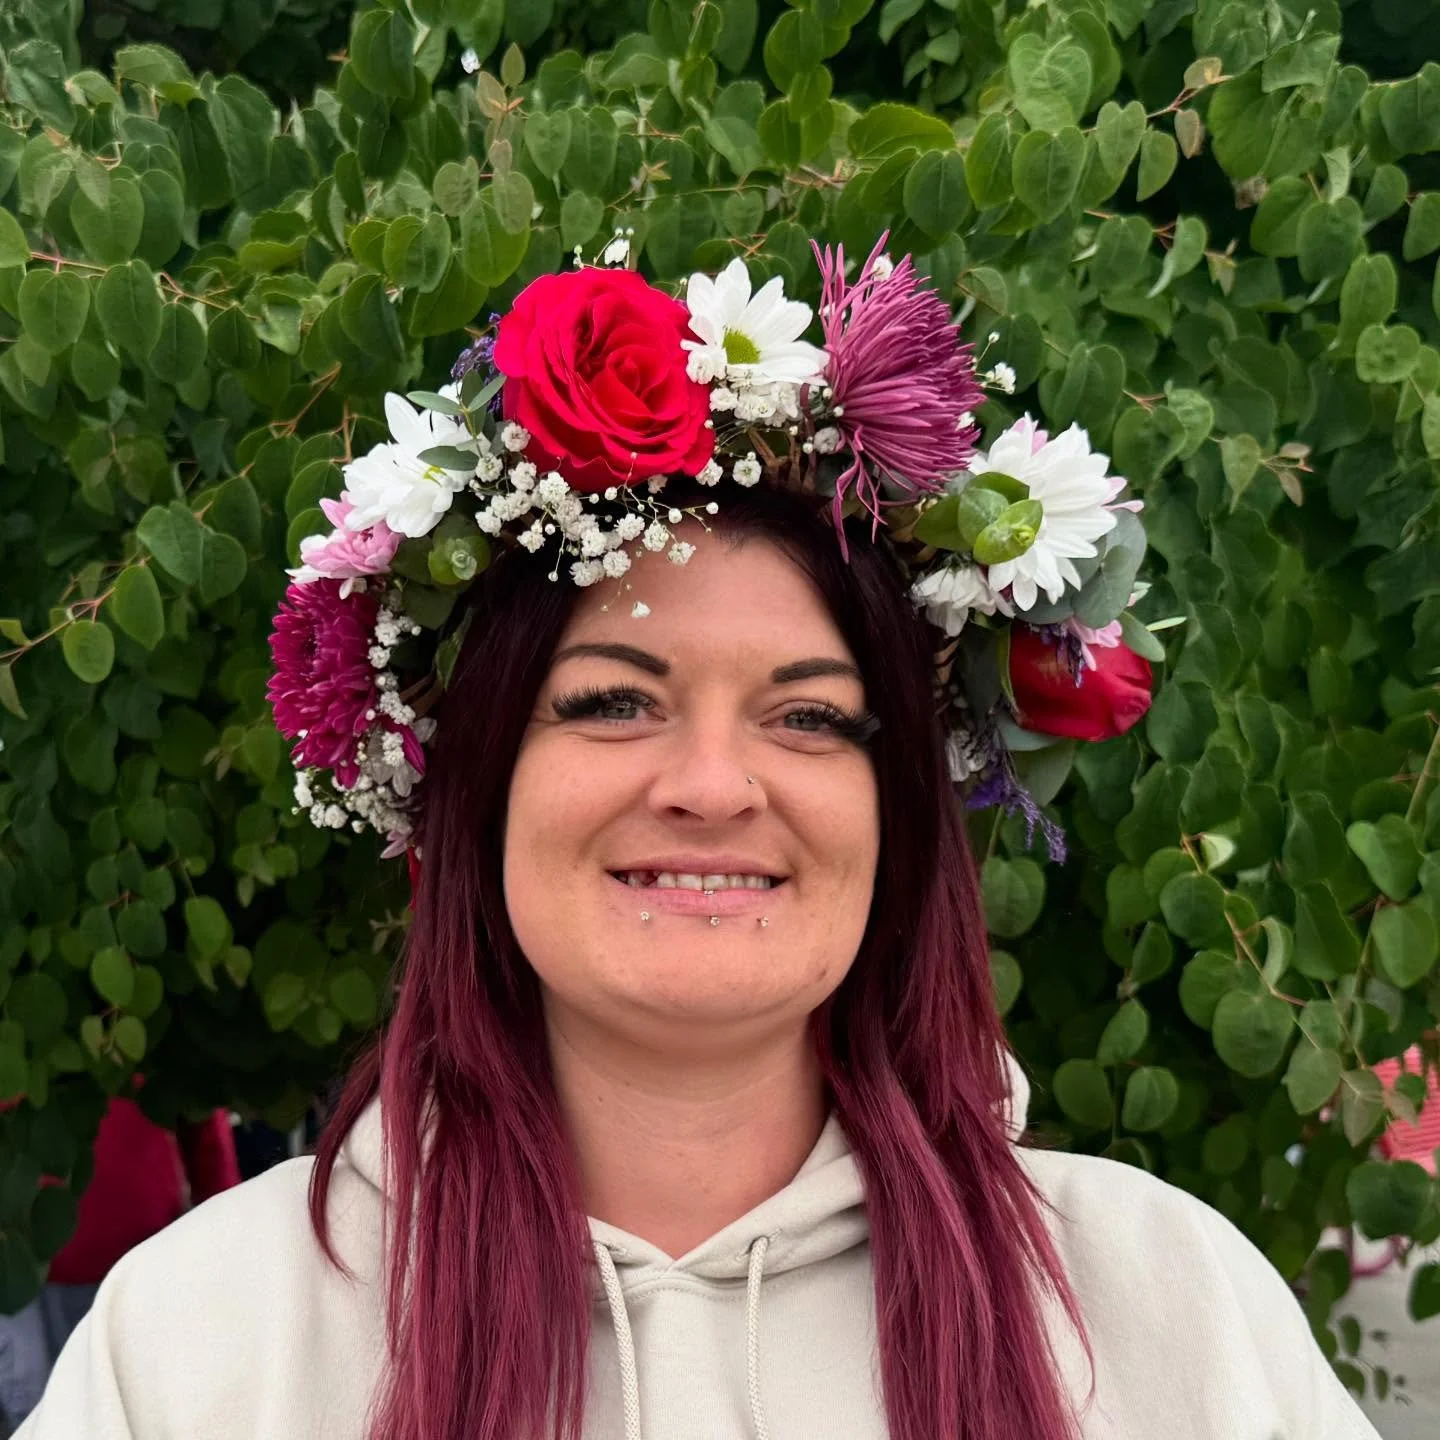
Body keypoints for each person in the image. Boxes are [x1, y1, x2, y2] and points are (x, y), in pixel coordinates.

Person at [18, 244, 1382, 1440]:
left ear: (897, 808)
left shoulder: (1163, 1309)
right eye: (614, 702)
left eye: (807, 716)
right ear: (474, 785)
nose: (714, 784)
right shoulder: (200, 1342)